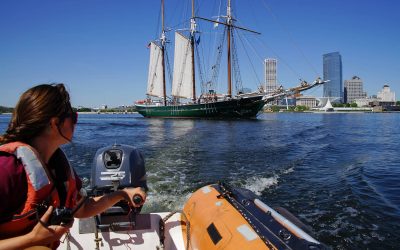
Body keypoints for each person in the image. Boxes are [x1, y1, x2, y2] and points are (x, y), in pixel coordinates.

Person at [0, 83, 146, 249]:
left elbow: (82, 209)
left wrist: (122, 194)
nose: (76, 123)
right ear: (55, 124)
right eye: (74, 118)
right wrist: (32, 240)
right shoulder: (7, 170)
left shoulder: (57, 166)